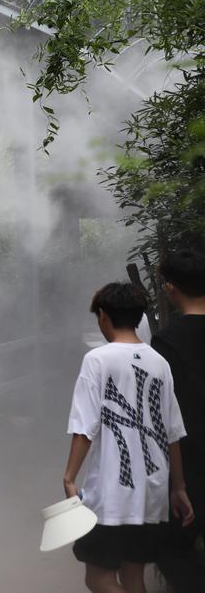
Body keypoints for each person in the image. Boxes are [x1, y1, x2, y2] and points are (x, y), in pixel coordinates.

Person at [64, 282, 194, 593]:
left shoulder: (97, 360)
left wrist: (69, 477)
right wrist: (178, 487)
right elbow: (172, 432)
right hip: (152, 491)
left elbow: (84, 426)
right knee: (132, 578)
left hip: (111, 492)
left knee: (99, 578)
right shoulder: (159, 363)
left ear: (103, 316)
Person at [151, 251, 205, 592]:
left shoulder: (168, 341)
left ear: (171, 288)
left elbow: (163, 415)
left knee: (173, 546)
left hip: (191, 458)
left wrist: (176, 483)